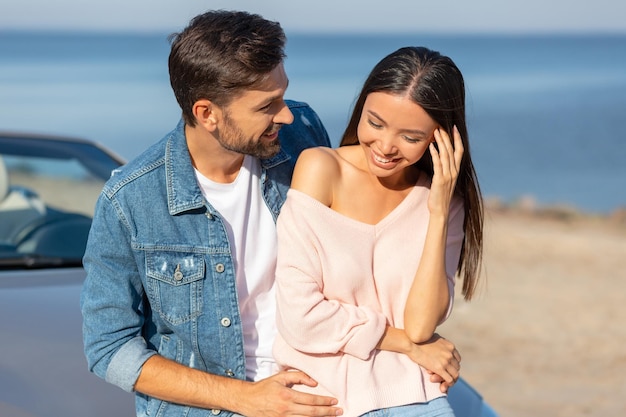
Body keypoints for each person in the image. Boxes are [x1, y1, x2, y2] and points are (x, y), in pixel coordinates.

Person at [80, 10, 344, 417]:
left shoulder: (304, 134)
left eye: (283, 95)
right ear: (207, 114)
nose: (287, 115)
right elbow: (109, 348)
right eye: (267, 106)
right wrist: (245, 398)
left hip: (328, 391)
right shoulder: (129, 201)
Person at [273, 46, 484, 417]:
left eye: (411, 137)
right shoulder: (321, 169)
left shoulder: (443, 201)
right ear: (361, 109)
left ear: (441, 138)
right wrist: (404, 343)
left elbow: (420, 326)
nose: (385, 147)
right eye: (375, 123)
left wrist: (436, 214)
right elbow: (301, 319)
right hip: (320, 400)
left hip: (415, 399)